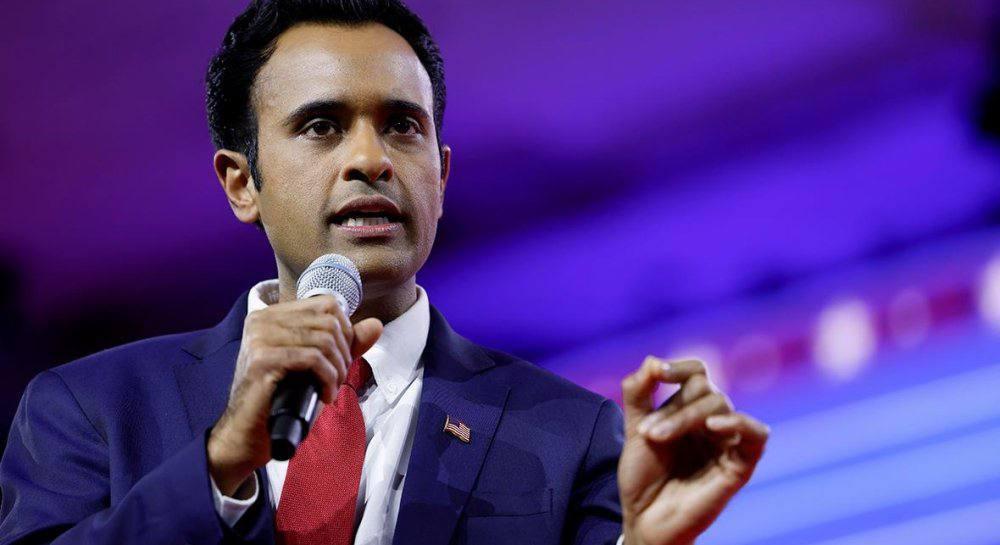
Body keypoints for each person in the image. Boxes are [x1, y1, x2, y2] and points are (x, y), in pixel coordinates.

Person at [0, 1, 770, 544]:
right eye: (321, 125)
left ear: (441, 174)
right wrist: (218, 463)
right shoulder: (92, 410)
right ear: (241, 183)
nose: (370, 158)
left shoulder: (570, 437)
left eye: (402, 125)